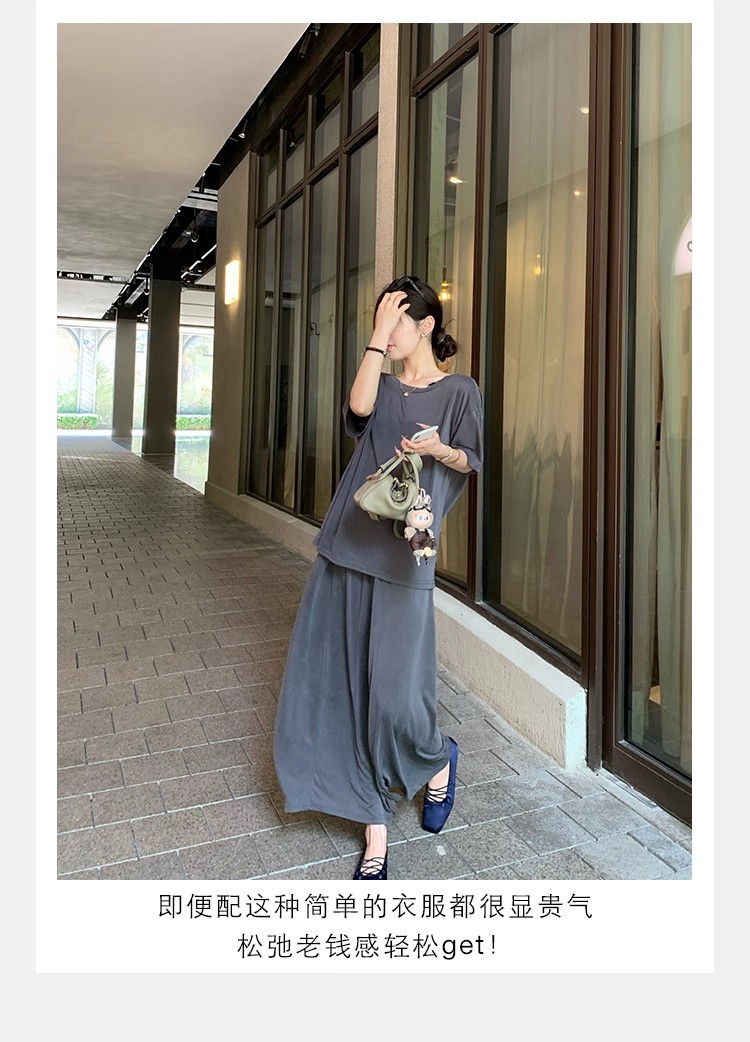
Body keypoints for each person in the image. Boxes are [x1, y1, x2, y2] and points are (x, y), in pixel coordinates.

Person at [273, 274, 484, 880]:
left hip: (406, 555)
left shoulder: (460, 391)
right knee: (343, 687)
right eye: (380, 322)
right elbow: (359, 410)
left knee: (395, 696)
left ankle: (436, 757)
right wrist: (374, 338)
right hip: (348, 545)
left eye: (396, 322)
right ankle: (374, 827)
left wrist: (438, 450)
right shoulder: (383, 384)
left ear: (426, 326)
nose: (387, 333)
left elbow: (470, 459)